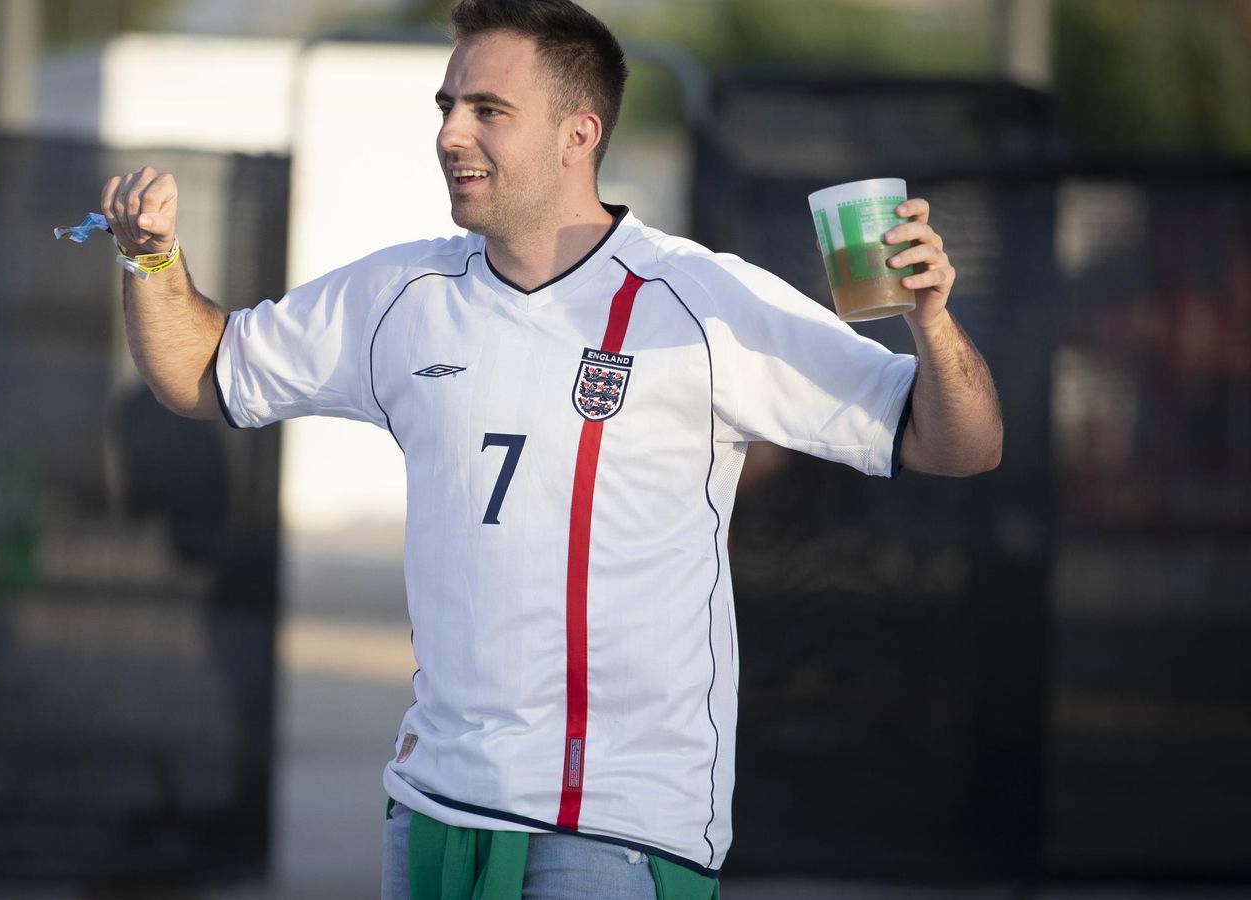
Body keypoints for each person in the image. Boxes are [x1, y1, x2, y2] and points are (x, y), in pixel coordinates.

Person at [97, 0, 1002, 896]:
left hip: (613, 825)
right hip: (434, 808)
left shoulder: (702, 298)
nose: (452, 134)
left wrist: (930, 320)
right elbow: (205, 372)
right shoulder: (401, 294)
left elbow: (955, 442)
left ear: (579, 134)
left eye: (488, 111)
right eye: (447, 107)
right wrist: (152, 260)